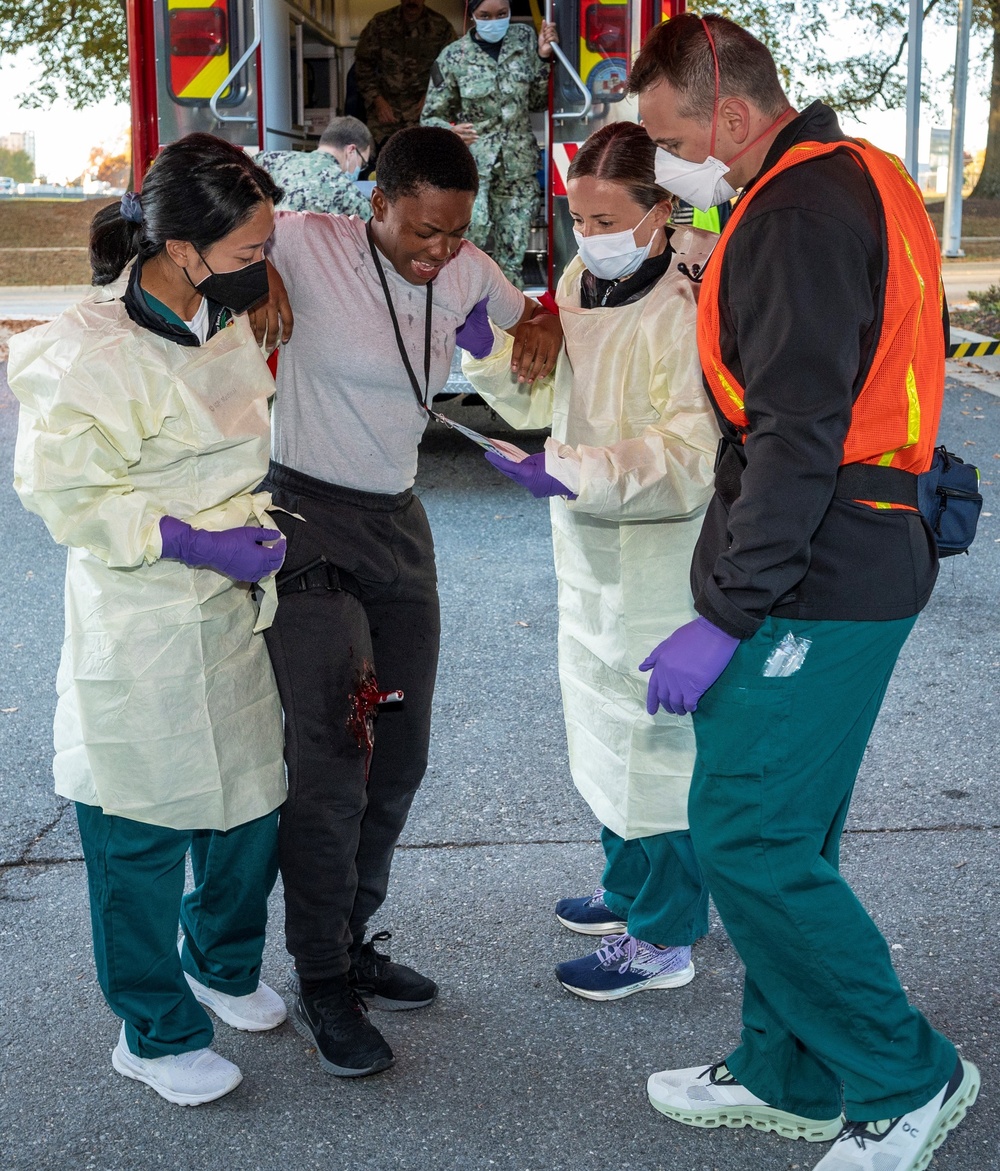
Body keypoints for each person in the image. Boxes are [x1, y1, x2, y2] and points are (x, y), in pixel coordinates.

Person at [629, 14, 980, 1171]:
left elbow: (794, 434)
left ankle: (905, 1075)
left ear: (727, 114)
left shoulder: (791, 210)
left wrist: (726, 612)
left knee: (749, 836)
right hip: (858, 545)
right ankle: (785, 1070)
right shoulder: (861, 173)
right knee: (788, 828)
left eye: (670, 137)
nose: (664, 163)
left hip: (821, 569)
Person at [260, 125, 562, 1079]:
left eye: (453, 232)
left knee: (401, 748)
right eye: (421, 231)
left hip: (396, 523)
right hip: (304, 520)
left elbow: (530, 314)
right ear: (377, 203)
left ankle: (351, 940)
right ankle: (318, 979)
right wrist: (250, 271)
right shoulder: (305, 239)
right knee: (337, 756)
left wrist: (539, 324)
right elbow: (172, 206)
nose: (437, 252)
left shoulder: (466, 269)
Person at [9, 134, 291, 1107]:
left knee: (248, 803)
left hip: (228, 620)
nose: (266, 265)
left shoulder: (221, 315)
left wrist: (252, 536)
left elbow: (237, 446)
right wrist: (194, 542)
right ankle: (153, 1029)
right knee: (135, 834)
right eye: (252, 249)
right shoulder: (83, 349)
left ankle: (218, 958)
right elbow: (65, 493)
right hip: (138, 621)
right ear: (181, 245)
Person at [462, 121, 718, 1002]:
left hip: (662, 553)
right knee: (607, 731)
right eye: (577, 216)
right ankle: (628, 888)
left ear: (662, 211)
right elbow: (545, 395)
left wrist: (570, 469)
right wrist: (487, 349)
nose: (588, 236)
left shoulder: (687, 301)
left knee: (661, 750)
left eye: (606, 218)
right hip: (592, 547)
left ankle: (666, 935)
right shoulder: (585, 278)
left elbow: (690, 455)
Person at [421, 0, 557, 287]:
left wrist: (544, 58)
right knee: (473, 235)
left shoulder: (523, 39)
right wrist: (451, 131)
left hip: (517, 166)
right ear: (471, 16)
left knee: (514, 245)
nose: (494, 21)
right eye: (485, 15)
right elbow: (430, 116)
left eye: (501, 14)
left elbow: (536, 100)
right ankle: (468, 310)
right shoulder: (453, 57)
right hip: (474, 167)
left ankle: (511, 321)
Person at [354, 0, 456, 145]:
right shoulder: (380, 23)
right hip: (386, 111)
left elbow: (450, 68)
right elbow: (362, 64)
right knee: (380, 158)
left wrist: (431, 96)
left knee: (428, 156)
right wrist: (377, 100)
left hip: (423, 110)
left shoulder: (441, 26)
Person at [255, 117, 374, 217]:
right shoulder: (344, 189)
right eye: (362, 163)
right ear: (351, 151)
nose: (360, 169)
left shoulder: (267, 159)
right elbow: (375, 230)